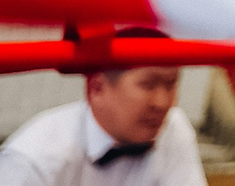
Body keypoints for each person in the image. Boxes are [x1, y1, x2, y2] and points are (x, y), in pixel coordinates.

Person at [0, 34, 206, 186]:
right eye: (148, 85)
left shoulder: (173, 127)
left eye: (170, 84)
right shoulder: (34, 159)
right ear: (97, 89)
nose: (162, 103)